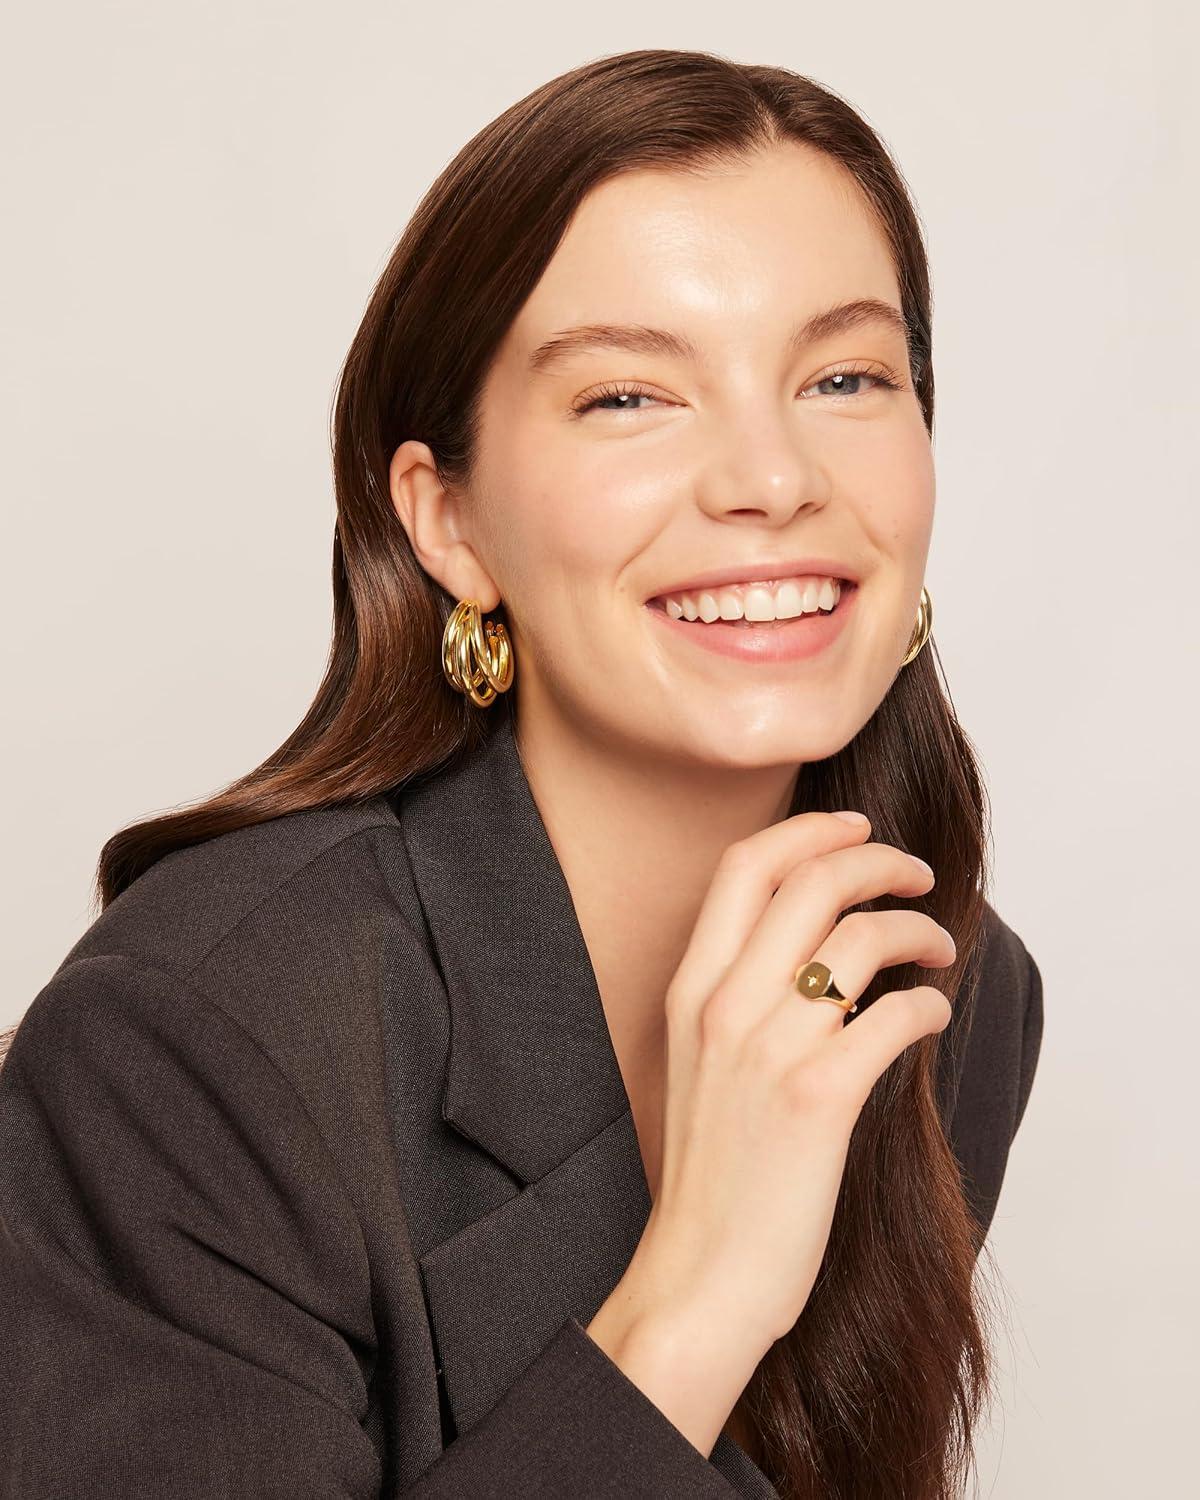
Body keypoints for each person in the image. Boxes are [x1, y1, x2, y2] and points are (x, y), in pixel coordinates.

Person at [0, 48, 1044, 1500]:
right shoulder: (191, 1043)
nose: (774, 478)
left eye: (846, 377)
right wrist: (697, 1300)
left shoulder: (941, 986)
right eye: (629, 397)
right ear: (447, 521)